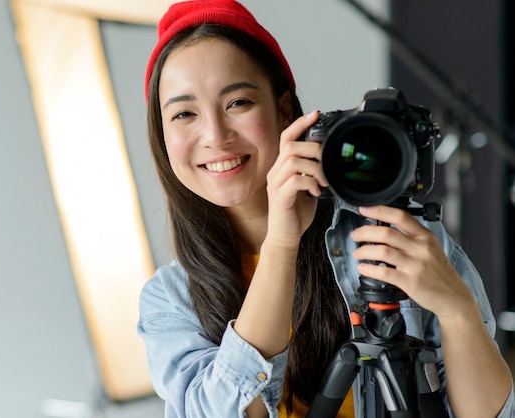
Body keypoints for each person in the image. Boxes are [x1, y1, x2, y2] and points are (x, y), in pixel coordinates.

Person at [136, 1, 514, 417]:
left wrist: (457, 309)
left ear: (283, 110)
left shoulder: (390, 237)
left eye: (238, 103)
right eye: (184, 113)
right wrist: (282, 242)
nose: (215, 135)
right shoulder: (170, 301)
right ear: (162, 133)